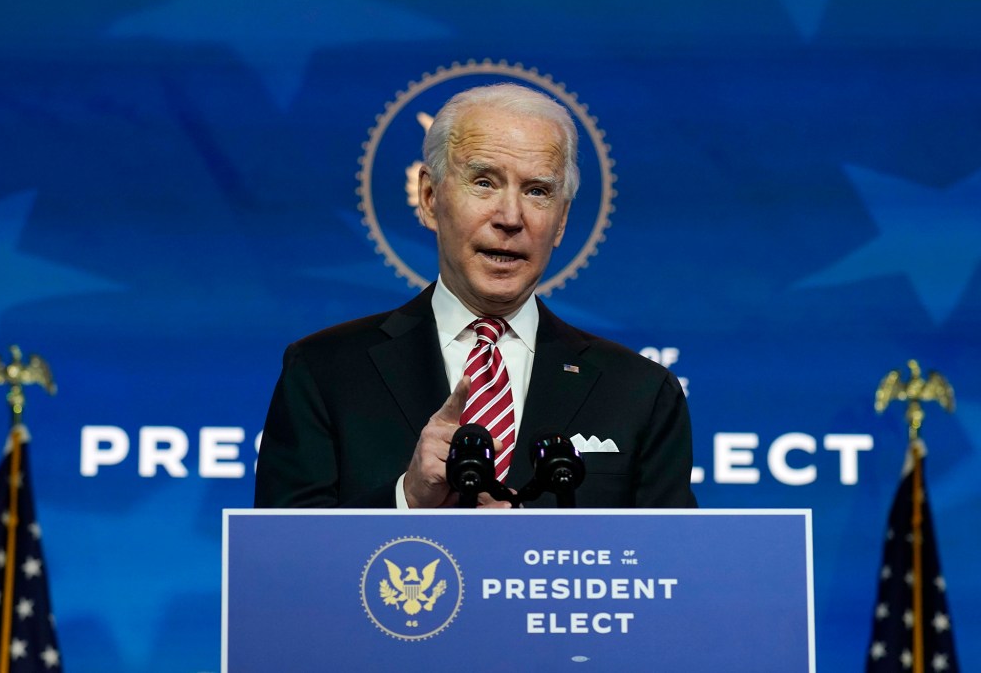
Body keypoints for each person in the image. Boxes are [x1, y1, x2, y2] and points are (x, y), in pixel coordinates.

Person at [254, 83, 696, 509]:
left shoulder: (640, 393)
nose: (510, 217)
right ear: (429, 198)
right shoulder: (323, 372)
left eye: (537, 191)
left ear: (561, 221)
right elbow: (281, 566)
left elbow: (670, 570)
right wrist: (407, 500)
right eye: (484, 182)